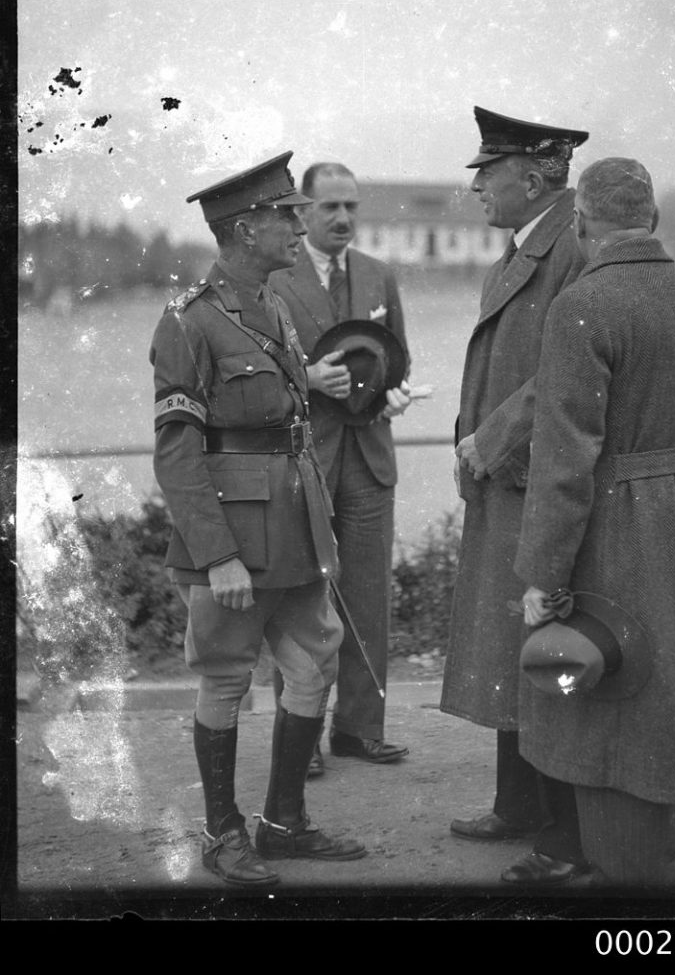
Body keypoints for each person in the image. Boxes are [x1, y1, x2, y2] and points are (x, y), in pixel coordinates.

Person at [503, 157, 675, 888]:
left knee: (605, 693)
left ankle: (627, 881)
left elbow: (564, 461)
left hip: (609, 526)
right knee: (662, 690)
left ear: (580, 225)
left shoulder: (583, 305)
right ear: (655, 219)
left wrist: (542, 577)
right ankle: (654, 869)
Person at [150, 151, 367, 888]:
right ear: (246, 229)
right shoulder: (189, 322)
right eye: (286, 215)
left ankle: (283, 821)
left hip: (297, 525)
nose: (299, 226)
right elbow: (178, 456)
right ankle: (221, 832)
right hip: (236, 538)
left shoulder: (274, 305)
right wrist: (217, 557)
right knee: (224, 676)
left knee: (315, 662)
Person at [440, 106, 590, 843]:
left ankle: (553, 823)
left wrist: (488, 439)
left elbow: (565, 371)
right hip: (509, 478)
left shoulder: (574, 247)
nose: (476, 188)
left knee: (539, 644)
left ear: (533, 176)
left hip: (535, 479)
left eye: (487, 172)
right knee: (513, 645)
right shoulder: (527, 246)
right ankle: (518, 805)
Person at [269, 162, 413, 770]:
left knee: (369, 597)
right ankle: (300, 742)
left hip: (370, 458)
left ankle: (359, 728)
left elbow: (394, 360)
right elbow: (255, 373)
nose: (343, 219)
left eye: (352, 206)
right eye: (330, 207)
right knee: (303, 600)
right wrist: (306, 377)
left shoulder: (380, 276)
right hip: (306, 461)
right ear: (303, 212)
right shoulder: (274, 279)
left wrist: (397, 391)